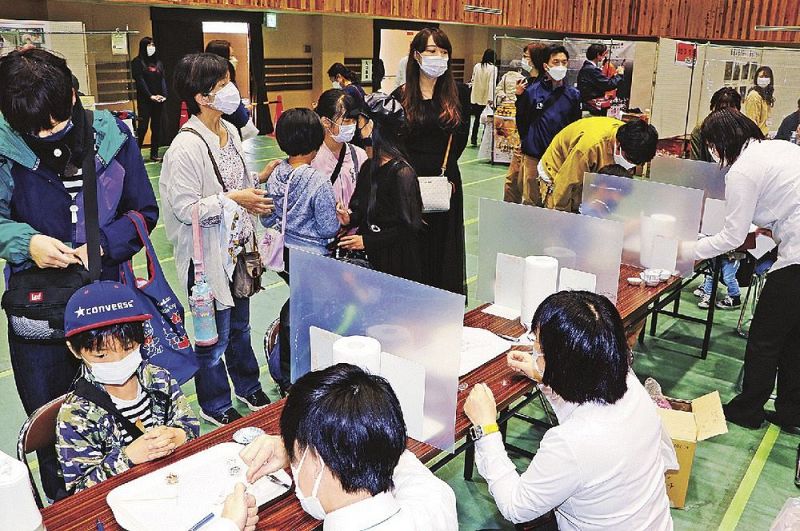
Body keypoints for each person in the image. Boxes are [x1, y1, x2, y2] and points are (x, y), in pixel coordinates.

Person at [0, 47, 158, 500]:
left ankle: (134, 495)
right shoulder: (4, 148)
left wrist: (104, 244)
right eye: (33, 128)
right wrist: (25, 243)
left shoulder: (111, 136)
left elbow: (144, 211)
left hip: (106, 302)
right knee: (51, 420)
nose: (47, 134)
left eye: (54, 120)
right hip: (39, 316)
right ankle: (66, 506)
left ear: (73, 93)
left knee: (127, 408)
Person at [464, 291, 675, 530]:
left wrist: (486, 429)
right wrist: (546, 376)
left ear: (562, 363)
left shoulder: (571, 443)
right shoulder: (627, 382)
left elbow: (516, 507)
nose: (534, 350)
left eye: (538, 347)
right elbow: (582, 400)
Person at [161, 53, 273, 427]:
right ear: (201, 97)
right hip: (207, 262)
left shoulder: (232, 132)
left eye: (229, 81)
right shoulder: (185, 148)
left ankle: (246, 384)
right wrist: (236, 199)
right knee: (213, 337)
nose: (231, 91)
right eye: (222, 85)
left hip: (237, 251)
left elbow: (233, 184)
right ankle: (213, 400)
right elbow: (185, 209)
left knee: (241, 327)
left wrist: (255, 183)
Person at [239, 363, 458, 530]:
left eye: (297, 458)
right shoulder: (437, 500)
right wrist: (302, 448)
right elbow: (391, 451)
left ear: (316, 461)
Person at [694, 108, 800, 433]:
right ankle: (791, 412)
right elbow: (784, 202)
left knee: (765, 339)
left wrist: (688, 251)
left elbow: (732, 236)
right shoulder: (779, 147)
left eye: (711, 145)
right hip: (794, 247)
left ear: (719, 142)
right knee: (794, 339)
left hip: (797, 260)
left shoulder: (742, 170)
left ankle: (748, 409)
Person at [56, 281, 199, 493]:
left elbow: (189, 425)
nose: (118, 361)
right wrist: (128, 457)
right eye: (101, 355)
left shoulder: (159, 379)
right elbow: (80, 490)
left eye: (128, 348)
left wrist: (178, 435)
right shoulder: (75, 416)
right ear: (75, 350)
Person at [261, 108, 340, 393]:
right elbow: (329, 228)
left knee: (298, 303)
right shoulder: (317, 181)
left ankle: (288, 371)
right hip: (313, 259)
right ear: (316, 142)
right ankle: (296, 370)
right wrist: (339, 216)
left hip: (285, 256)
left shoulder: (276, 173)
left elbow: (266, 217)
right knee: (306, 313)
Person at [391, 27, 470, 295]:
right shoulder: (400, 97)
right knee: (412, 245)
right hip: (408, 182)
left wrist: (444, 174)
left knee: (442, 245)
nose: (439, 57)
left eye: (444, 52)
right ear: (416, 55)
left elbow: (460, 138)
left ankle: (442, 304)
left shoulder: (459, 94)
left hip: (445, 180)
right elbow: (394, 144)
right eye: (432, 51)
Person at [337, 94, 424, 282]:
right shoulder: (369, 165)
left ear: (373, 127)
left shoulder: (402, 173)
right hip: (372, 257)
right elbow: (362, 208)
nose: (357, 128)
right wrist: (349, 218)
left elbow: (409, 227)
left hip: (396, 261)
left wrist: (367, 242)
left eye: (360, 122)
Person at [537, 116, 658, 212]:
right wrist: (564, 219)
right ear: (619, 146)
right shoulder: (589, 148)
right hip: (557, 170)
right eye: (630, 160)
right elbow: (564, 184)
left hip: (584, 173)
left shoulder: (634, 139)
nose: (631, 165)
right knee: (558, 221)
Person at [513, 44, 581, 206]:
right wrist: (528, 142)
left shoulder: (573, 95)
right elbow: (522, 120)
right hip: (534, 155)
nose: (560, 66)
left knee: (556, 201)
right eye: (556, 62)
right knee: (531, 199)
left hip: (560, 158)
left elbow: (574, 125)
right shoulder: (532, 92)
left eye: (564, 62)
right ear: (546, 66)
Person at [503, 42, 546, 203]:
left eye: (526, 57)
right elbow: (522, 113)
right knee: (511, 182)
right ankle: (509, 215)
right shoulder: (527, 82)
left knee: (531, 190)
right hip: (521, 141)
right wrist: (520, 96)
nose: (524, 60)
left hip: (534, 146)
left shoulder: (544, 85)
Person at [312, 89, 369, 206]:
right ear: (326, 122)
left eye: (354, 120)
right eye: (347, 121)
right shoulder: (310, 158)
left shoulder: (359, 155)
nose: (352, 125)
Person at [131, 37, 167, 162]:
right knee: (143, 127)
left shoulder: (158, 63)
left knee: (156, 127)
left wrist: (164, 95)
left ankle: (154, 153)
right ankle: (136, 154)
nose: (152, 47)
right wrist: (150, 96)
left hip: (159, 100)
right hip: (145, 100)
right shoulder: (137, 62)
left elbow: (162, 80)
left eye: (153, 44)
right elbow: (140, 81)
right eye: (149, 45)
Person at [205, 39, 252, 132]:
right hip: (226, 134)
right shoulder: (226, 87)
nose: (235, 60)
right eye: (230, 57)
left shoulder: (199, 82)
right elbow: (240, 118)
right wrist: (246, 110)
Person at [689, 87, 741, 162]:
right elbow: (696, 166)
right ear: (712, 110)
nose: (723, 115)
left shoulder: (744, 131)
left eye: (729, 111)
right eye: (719, 110)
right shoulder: (700, 130)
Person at [577, 43, 624, 116]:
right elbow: (608, 85)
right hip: (592, 107)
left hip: (589, 105)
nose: (605, 57)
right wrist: (620, 75)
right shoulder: (591, 69)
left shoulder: (588, 68)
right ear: (598, 55)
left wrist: (615, 76)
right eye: (604, 54)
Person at [469, 49, 498, 146]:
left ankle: (473, 139)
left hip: (476, 96)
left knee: (477, 119)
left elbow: (473, 79)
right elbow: (492, 84)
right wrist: (491, 98)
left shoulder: (477, 66)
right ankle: (483, 141)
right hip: (486, 97)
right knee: (487, 121)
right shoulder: (493, 68)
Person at [744, 66, 775, 136]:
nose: (763, 79)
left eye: (766, 76)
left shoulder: (765, 96)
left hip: (763, 135)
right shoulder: (754, 96)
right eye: (761, 77)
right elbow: (752, 122)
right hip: (756, 137)